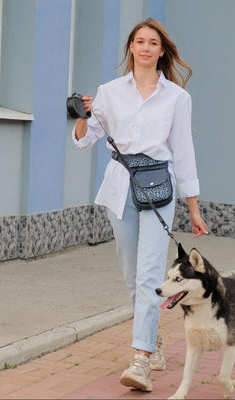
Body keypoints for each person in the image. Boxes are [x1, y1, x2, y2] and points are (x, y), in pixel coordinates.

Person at [72, 18, 209, 392]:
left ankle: (141, 359)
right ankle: (154, 340)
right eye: (139, 41)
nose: (146, 47)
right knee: (133, 277)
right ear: (131, 48)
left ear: (162, 50)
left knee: (150, 276)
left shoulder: (177, 98)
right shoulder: (110, 92)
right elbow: (84, 142)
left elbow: (183, 154)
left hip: (159, 190)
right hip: (121, 187)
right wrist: (83, 117)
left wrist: (194, 209)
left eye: (153, 43)